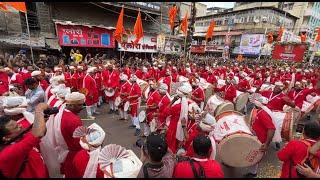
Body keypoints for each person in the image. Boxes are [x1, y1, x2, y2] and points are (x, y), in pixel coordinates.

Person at [39, 92, 84, 177]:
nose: (82, 107)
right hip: (73, 153)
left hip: (63, 150)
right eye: (80, 105)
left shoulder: (61, 110)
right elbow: (80, 142)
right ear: (72, 105)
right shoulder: (74, 120)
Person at [0, 103, 49, 178]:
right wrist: (39, 110)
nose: (20, 125)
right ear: (6, 138)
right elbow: (39, 133)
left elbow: (42, 131)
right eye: (16, 127)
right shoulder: (8, 153)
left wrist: (41, 120)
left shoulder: (18, 137)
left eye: (18, 124)